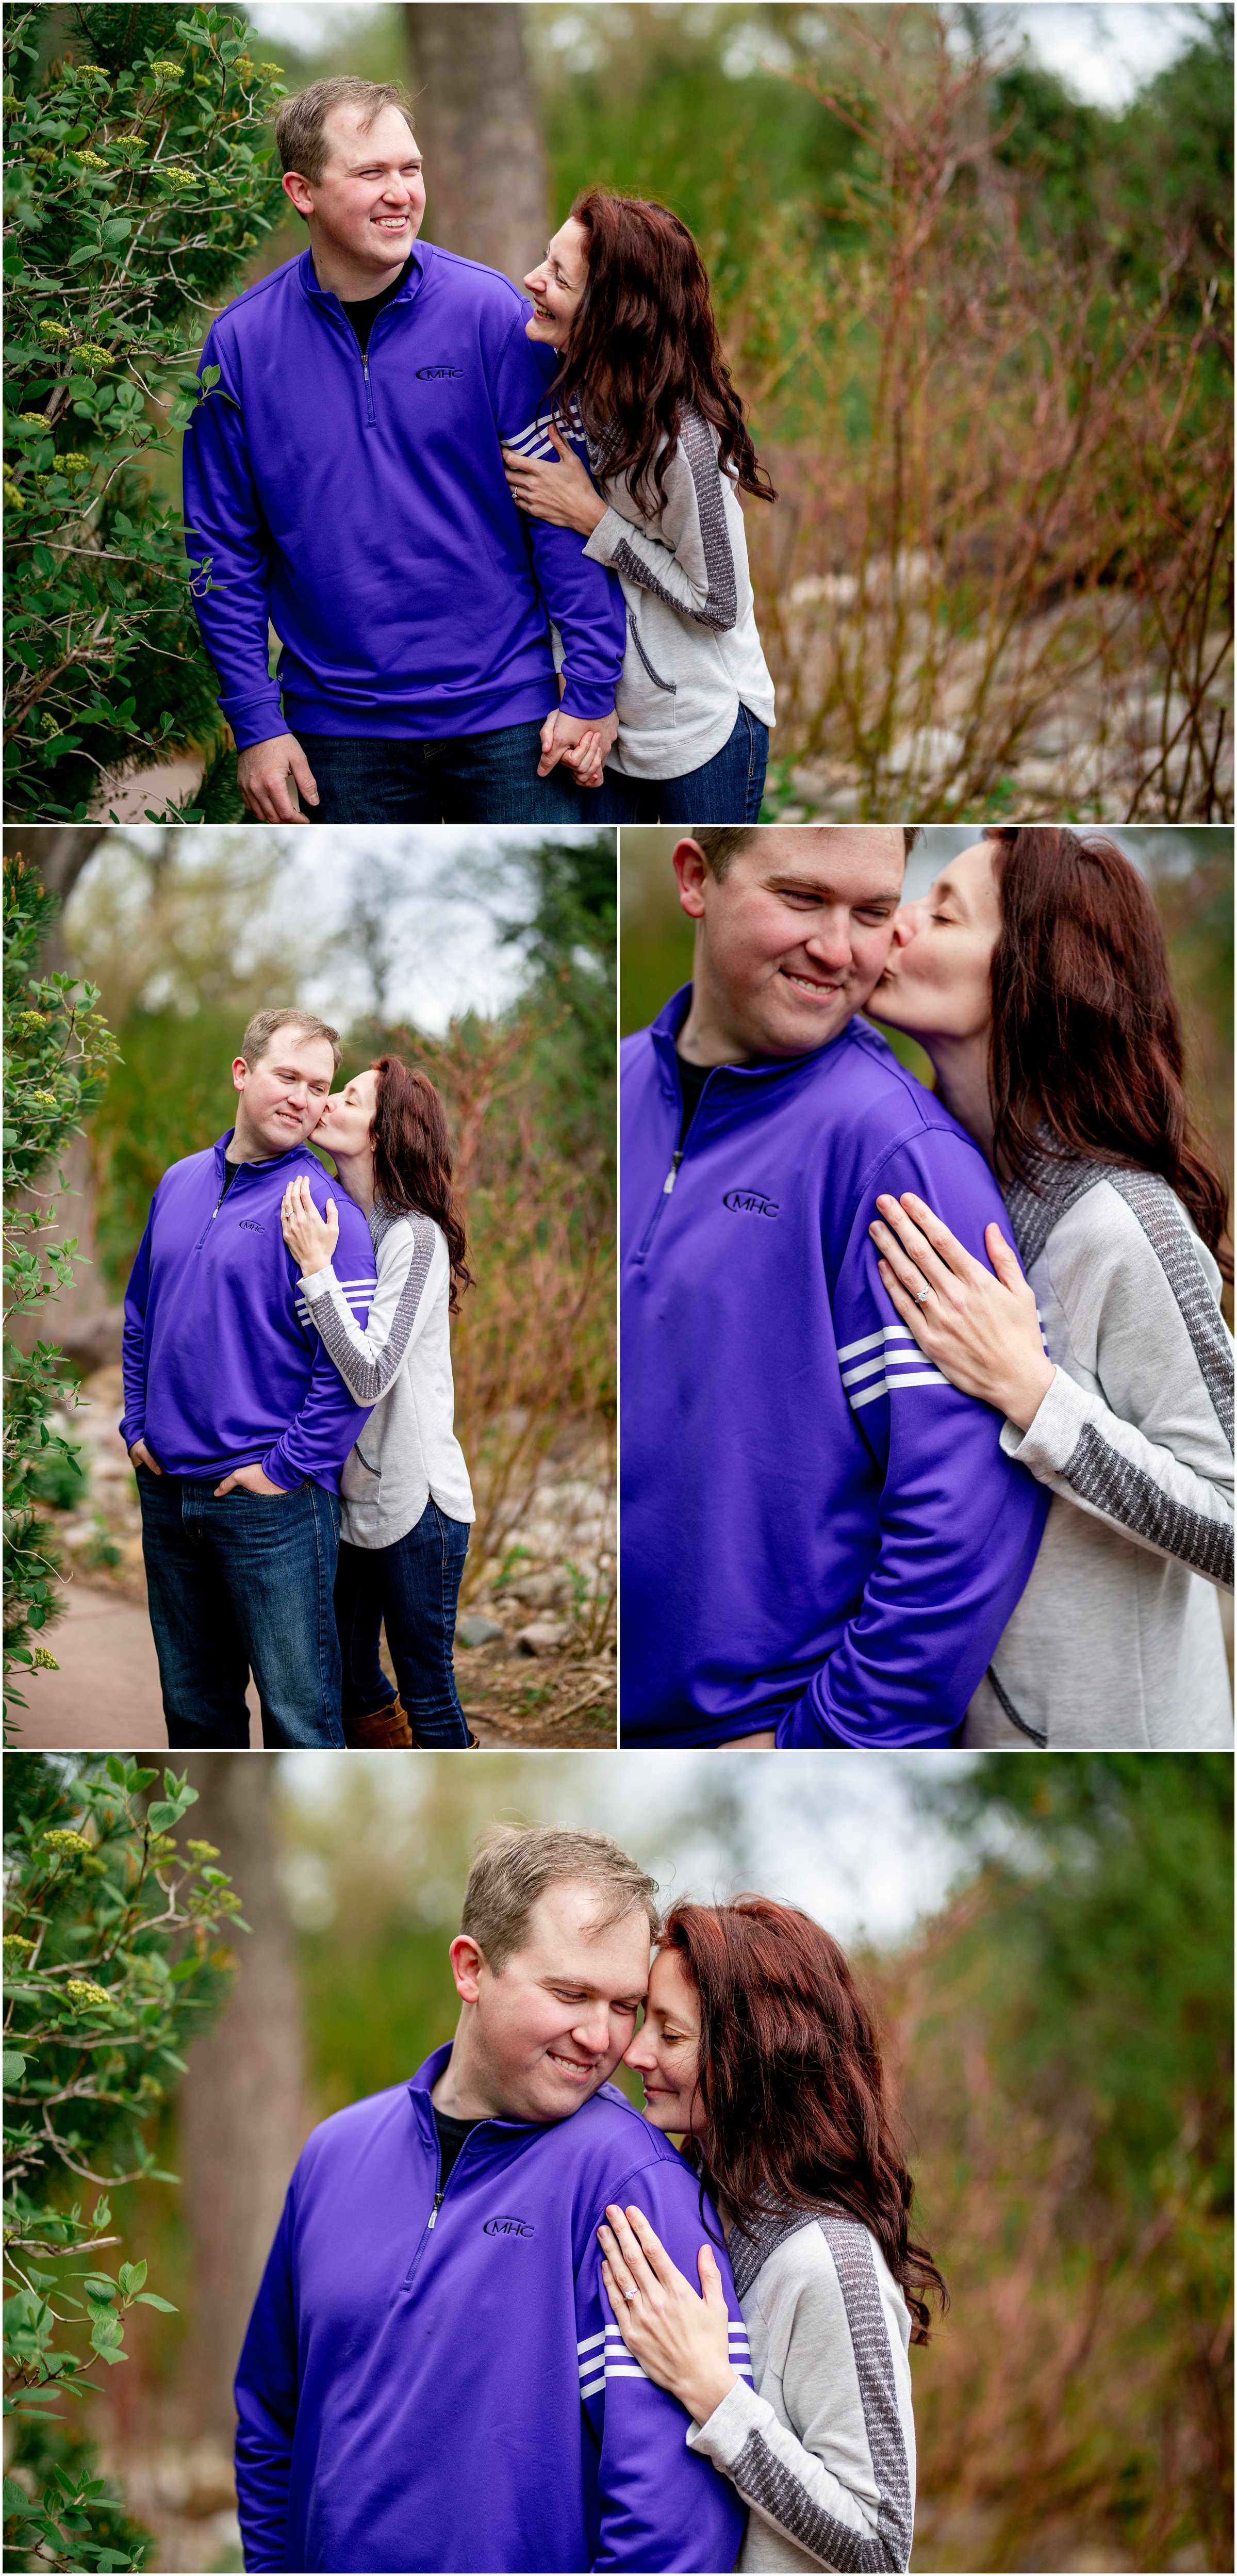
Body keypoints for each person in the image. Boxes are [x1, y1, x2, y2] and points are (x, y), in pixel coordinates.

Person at [619, 825, 1049, 1749]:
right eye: (803, 899)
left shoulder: (900, 1158)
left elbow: (964, 1518)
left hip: (743, 1738)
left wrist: (812, 1744)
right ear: (695, 877)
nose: (837, 948)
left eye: (870, 912)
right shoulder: (621, 1086)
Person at [234, 1828, 750, 2575]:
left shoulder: (634, 2188)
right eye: (570, 1993)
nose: (601, 2036)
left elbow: (671, 2527)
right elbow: (268, 2421)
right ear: (471, 1969)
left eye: (625, 2004)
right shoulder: (332, 2155)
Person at [863, 824, 1234, 1746]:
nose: (894, 924)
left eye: (940, 911)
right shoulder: (936, 1181)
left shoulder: (1123, 1223)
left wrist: (1032, 1394)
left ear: (1030, 969)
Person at [181, 79, 626, 825]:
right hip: (335, 732)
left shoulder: (493, 318)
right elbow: (222, 549)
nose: (399, 194)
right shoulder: (241, 345)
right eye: (370, 173)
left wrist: (588, 688)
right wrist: (256, 719)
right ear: (302, 191)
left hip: (511, 719)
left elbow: (557, 512)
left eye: (409, 169)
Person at [598, 1898, 943, 2573]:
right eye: (644, 2021)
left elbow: (879, 2545)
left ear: (750, 2055)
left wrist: (715, 2394)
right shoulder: (703, 2207)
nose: (634, 2051)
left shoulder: (832, 2263)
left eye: (669, 2033)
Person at [120, 1010, 377, 1749]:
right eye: (287, 1076)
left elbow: (351, 1371)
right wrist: (136, 1426)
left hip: (270, 1512)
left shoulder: (326, 1211)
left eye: (319, 1086)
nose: (303, 1097)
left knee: (300, 1720)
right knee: (195, 1714)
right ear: (242, 1072)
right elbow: (142, 1313)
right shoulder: (177, 1182)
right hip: (168, 1494)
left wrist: (284, 1469)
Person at [502, 190, 777, 824]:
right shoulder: (567, 392)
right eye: (546, 261)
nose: (532, 281)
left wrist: (594, 520)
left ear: (611, 315)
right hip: (612, 728)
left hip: (705, 733)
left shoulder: (683, 443)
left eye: (558, 277)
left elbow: (719, 604)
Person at [278, 1055, 477, 1751]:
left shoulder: (412, 1236)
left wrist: (315, 1272)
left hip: (418, 1504)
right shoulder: (343, 1223)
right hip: (351, 1496)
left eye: (349, 1096)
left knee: (427, 1688)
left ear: (384, 1130)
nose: (327, 1101)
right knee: (351, 1677)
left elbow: (369, 1377)